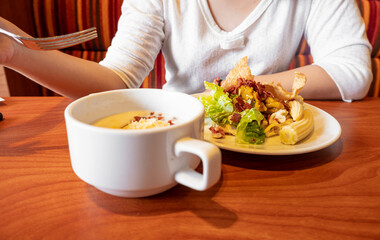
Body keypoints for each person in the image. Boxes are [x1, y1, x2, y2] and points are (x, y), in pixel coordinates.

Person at [0, 0, 373, 101]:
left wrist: (230, 91)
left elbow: (352, 72)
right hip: (175, 136)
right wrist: (16, 52)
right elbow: (115, 81)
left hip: (266, 141)